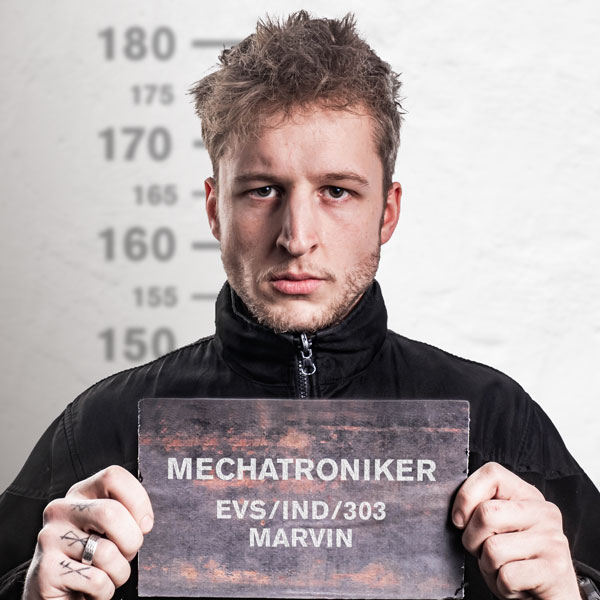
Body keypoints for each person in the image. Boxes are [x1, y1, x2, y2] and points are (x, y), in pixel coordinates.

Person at [1, 11, 598, 600]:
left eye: (336, 191)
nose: (296, 237)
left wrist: (573, 595)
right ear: (214, 210)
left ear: (387, 212)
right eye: (263, 190)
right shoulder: (100, 428)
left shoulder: (500, 423)